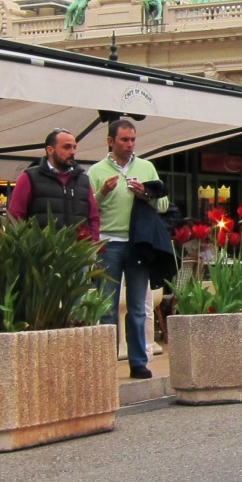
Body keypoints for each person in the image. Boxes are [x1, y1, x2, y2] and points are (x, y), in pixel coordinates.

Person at [89, 119, 167, 381]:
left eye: (133, 139)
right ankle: (104, 362)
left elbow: (164, 203)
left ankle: (138, 361)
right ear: (110, 141)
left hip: (138, 243)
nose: (130, 144)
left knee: (137, 305)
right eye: (124, 139)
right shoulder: (96, 171)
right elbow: (89, 208)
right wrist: (101, 193)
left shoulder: (146, 167)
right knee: (106, 306)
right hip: (108, 243)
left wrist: (146, 193)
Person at [7, 127, 100, 239]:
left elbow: (93, 217)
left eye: (74, 147)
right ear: (50, 150)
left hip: (78, 251)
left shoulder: (82, 180)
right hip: (43, 252)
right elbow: (15, 216)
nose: (72, 152)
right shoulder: (30, 177)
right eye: (67, 147)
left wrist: (93, 243)